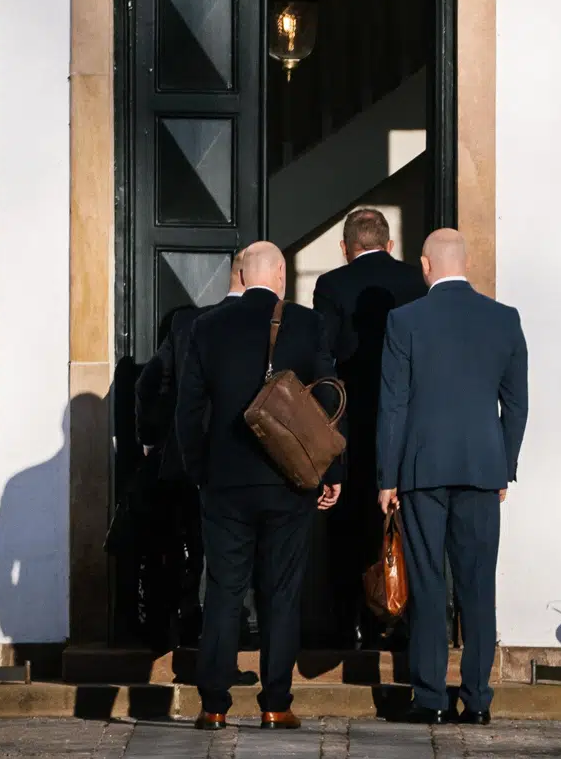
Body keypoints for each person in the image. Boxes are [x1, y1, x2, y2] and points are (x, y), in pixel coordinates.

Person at [175, 241, 344, 731]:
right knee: (281, 592)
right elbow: (330, 400)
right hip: (289, 483)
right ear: (281, 278)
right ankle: (275, 703)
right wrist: (330, 473)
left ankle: (213, 706)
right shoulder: (307, 324)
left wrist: (199, 470)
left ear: (243, 277)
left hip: (225, 485)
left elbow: (188, 412)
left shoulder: (206, 326)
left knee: (225, 592)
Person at [376, 229, 528, 725]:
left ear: (425, 266)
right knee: (478, 587)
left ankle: (429, 698)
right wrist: (505, 465)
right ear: (467, 262)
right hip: (483, 468)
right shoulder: (504, 319)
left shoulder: (405, 320)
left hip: (421, 469)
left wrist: (387, 477)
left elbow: (393, 404)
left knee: (427, 582)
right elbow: (517, 405)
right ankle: (478, 699)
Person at [312, 209, 425, 648]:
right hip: (409, 421)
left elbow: (325, 363)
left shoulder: (331, 285)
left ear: (345, 248)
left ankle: (350, 624)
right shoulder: (416, 281)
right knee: (405, 523)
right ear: (389, 244)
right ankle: (399, 620)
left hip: (354, 423)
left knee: (349, 526)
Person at [133, 251, 247, 648]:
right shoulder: (270, 323)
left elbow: (150, 382)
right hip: (244, 463)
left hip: (186, 457)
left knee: (188, 544)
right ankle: (230, 629)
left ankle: (186, 622)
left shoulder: (185, 323)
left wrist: (152, 439)